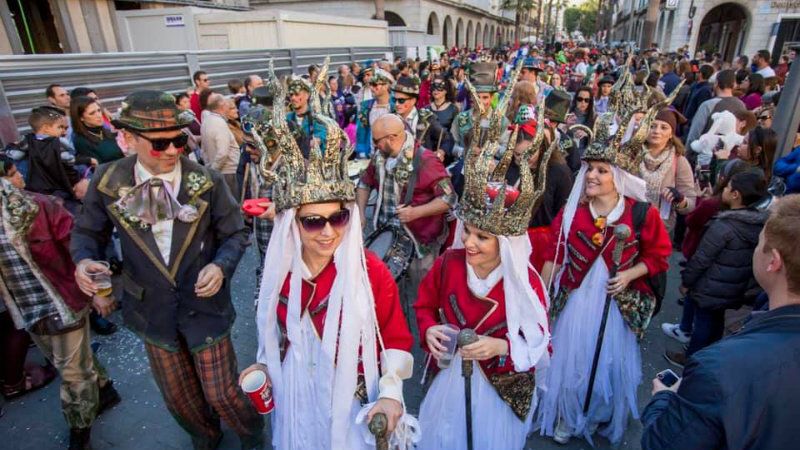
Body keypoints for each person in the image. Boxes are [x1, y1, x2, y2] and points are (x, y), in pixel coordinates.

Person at [70, 91, 264, 450]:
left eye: (179, 138)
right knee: (180, 399)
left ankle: (252, 435)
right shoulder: (108, 181)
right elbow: (86, 232)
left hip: (204, 307)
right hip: (151, 309)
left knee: (222, 393)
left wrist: (221, 267)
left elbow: (236, 234)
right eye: (161, 144)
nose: (175, 150)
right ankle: (205, 437)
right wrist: (84, 260)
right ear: (128, 139)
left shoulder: (208, 181)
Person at [243, 96, 416, 450]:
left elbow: (396, 338)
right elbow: (276, 336)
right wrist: (261, 367)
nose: (328, 232)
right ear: (293, 224)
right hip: (296, 390)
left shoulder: (371, 272)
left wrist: (391, 394)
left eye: (338, 218)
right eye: (312, 221)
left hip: (352, 395)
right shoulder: (279, 271)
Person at [414, 109, 551, 450]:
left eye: (482, 238)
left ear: (504, 243)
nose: (469, 243)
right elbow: (425, 305)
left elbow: (542, 341)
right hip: (450, 375)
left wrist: (502, 346)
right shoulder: (449, 263)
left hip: (499, 385)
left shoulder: (524, 281)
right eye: (469, 233)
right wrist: (429, 327)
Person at [536, 107, 672, 446]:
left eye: (601, 170)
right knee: (571, 357)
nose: (592, 176)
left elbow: (659, 256)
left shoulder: (642, 213)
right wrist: (540, 296)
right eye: (589, 169)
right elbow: (556, 250)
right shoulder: (574, 212)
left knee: (606, 360)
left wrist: (629, 275)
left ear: (618, 176)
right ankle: (568, 413)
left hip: (614, 301)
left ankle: (594, 413)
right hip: (577, 298)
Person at [641, 194, 800, 450]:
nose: (755, 249)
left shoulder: (720, 367)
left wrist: (664, 399)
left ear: (774, 261)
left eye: (759, 243)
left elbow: (663, 443)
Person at [0, 157, 120, 450]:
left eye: (16, 172)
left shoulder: (40, 206)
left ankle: (80, 435)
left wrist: (98, 292)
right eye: (14, 173)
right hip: (27, 309)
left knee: (72, 374)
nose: (20, 178)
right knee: (67, 361)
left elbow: (78, 248)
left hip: (62, 300)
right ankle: (105, 391)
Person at [664, 169, 768, 367]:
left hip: (710, 287)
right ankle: (709, 357)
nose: (725, 189)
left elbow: (702, 258)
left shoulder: (723, 226)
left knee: (702, 325)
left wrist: (687, 282)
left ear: (736, 195)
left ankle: (692, 361)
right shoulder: (757, 223)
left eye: (728, 187)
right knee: (715, 323)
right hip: (732, 287)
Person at [356, 114, 456, 309]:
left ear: (391, 139)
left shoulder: (426, 160)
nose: (374, 145)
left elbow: (449, 198)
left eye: (376, 141)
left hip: (419, 240)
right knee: (391, 296)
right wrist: (360, 212)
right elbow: (364, 183)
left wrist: (415, 213)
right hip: (387, 238)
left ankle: (425, 334)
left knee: (423, 297)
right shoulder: (379, 157)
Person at [21, 107, 87, 214]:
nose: (63, 131)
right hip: (62, 191)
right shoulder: (58, 143)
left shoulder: (28, 142)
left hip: (41, 192)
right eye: (60, 127)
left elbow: (15, 154)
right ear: (46, 128)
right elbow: (70, 160)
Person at [640, 108, 696, 232]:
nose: (656, 131)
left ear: (671, 134)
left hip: (661, 229)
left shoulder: (679, 161)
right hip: (629, 225)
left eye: (663, 127)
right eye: (652, 125)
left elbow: (691, 204)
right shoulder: (631, 155)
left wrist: (679, 199)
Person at [391, 76, 453, 161]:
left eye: (401, 100)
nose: (397, 104)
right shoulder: (391, 118)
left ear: (413, 100)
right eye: (394, 100)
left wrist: (441, 152)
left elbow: (447, 138)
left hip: (421, 166)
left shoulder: (427, 118)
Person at [201, 93, 241, 199]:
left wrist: (210, 167)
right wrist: (214, 171)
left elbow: (203, 150)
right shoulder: (219, 123)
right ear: (222, 106)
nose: (229, 106)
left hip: (219, 170)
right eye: (227, 103)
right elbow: (223, 152)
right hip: (228, 172)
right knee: (233, 203)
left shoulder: (206, 121)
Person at [70, 96, 124, 164]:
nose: (99, 115)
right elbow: (99, 168)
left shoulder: (106, 130)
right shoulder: (81, 141)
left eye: (99, 110)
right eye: (92, 113)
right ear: (81, 118)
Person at [356, 69, 395, 158]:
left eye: (375, 85)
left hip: (393, 155)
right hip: (372, 155)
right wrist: (362, 152)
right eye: (370, 85)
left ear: (386, 86)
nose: (372, 88)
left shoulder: (396, 106)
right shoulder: (366, 106)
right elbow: (361, 132)